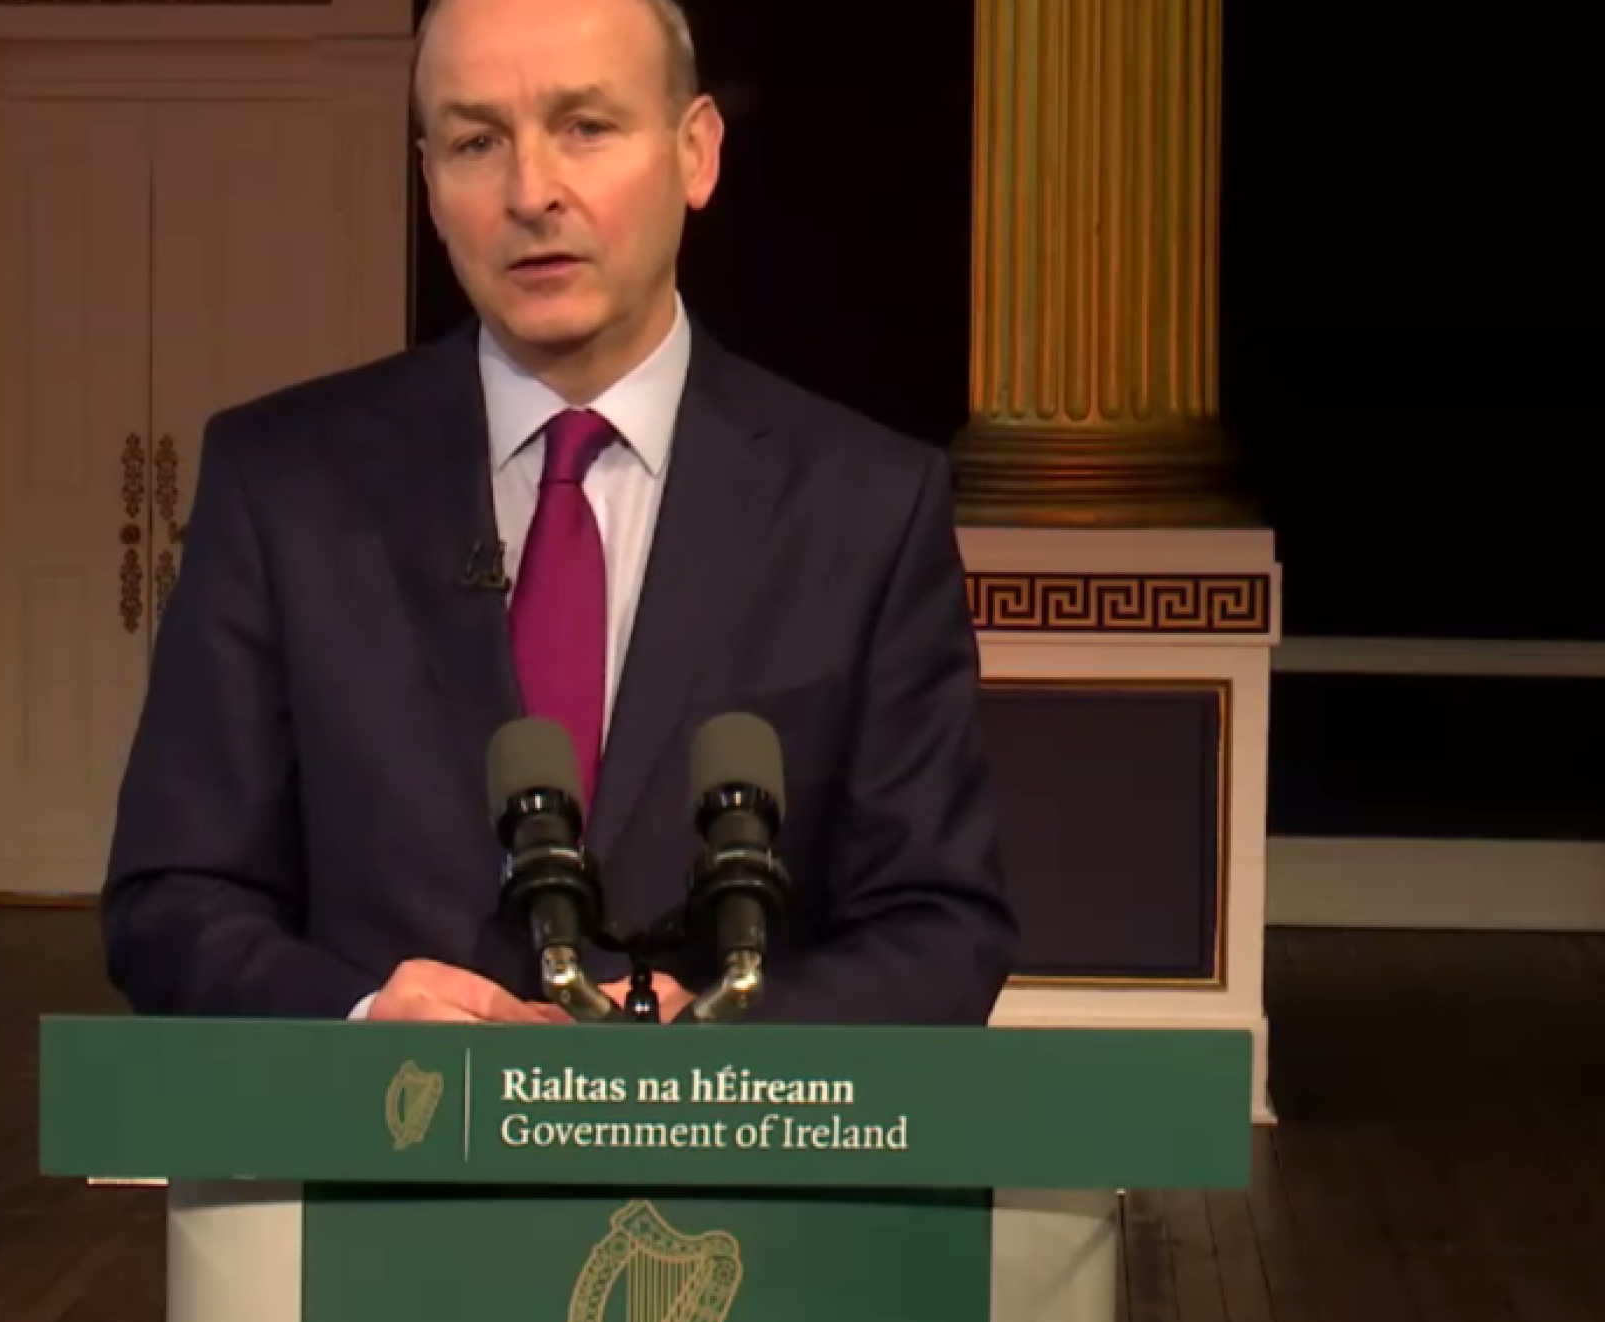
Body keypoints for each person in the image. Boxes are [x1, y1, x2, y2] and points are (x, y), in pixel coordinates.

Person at [100, 0, 1017, 1026]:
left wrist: (729, 1049)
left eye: (585, 127)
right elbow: (171, 903)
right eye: (476, 142)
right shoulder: (280, 486)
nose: (530, 192)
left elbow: (941, 927)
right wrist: (357, 1024)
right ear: (430, 186)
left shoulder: (864, 507)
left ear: (697, 152)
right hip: (386, 1127)